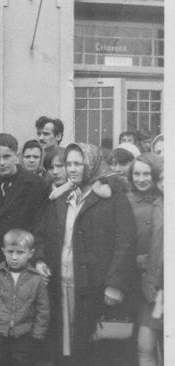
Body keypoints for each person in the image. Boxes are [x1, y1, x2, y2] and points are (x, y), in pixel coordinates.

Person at [35, 143, 136, 365]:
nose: (71, 169)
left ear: (90, 164)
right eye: (68, 164)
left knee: (90, 346)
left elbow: (125, 242)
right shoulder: (61, 197)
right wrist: (40, 259)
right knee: (63, 344)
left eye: (77, 164)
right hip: (61, 284)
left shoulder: (111, 197)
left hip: (94, 286)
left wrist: (115, 284)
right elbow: (42, 233)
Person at [0, 229, 50, 366]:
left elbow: (43, 309)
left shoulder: (36, 279)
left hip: (25, 336)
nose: (14, 257)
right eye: (10, 252)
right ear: (3, 251)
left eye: (20, 252)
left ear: (31, 254)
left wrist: (37, 335)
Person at [0, 133, 49, 269]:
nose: (2, 163)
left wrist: (38, 258)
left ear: (17, 156)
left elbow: (41, 226)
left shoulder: (36, 184)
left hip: (24, 260)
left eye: (6, 156)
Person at [126, 154, 163, 366]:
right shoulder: (126, 199)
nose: (141, 179)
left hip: (160, 281)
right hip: (134, 281)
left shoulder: (165, 199)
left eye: (147, 174)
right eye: (137, 174)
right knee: (141, 342)